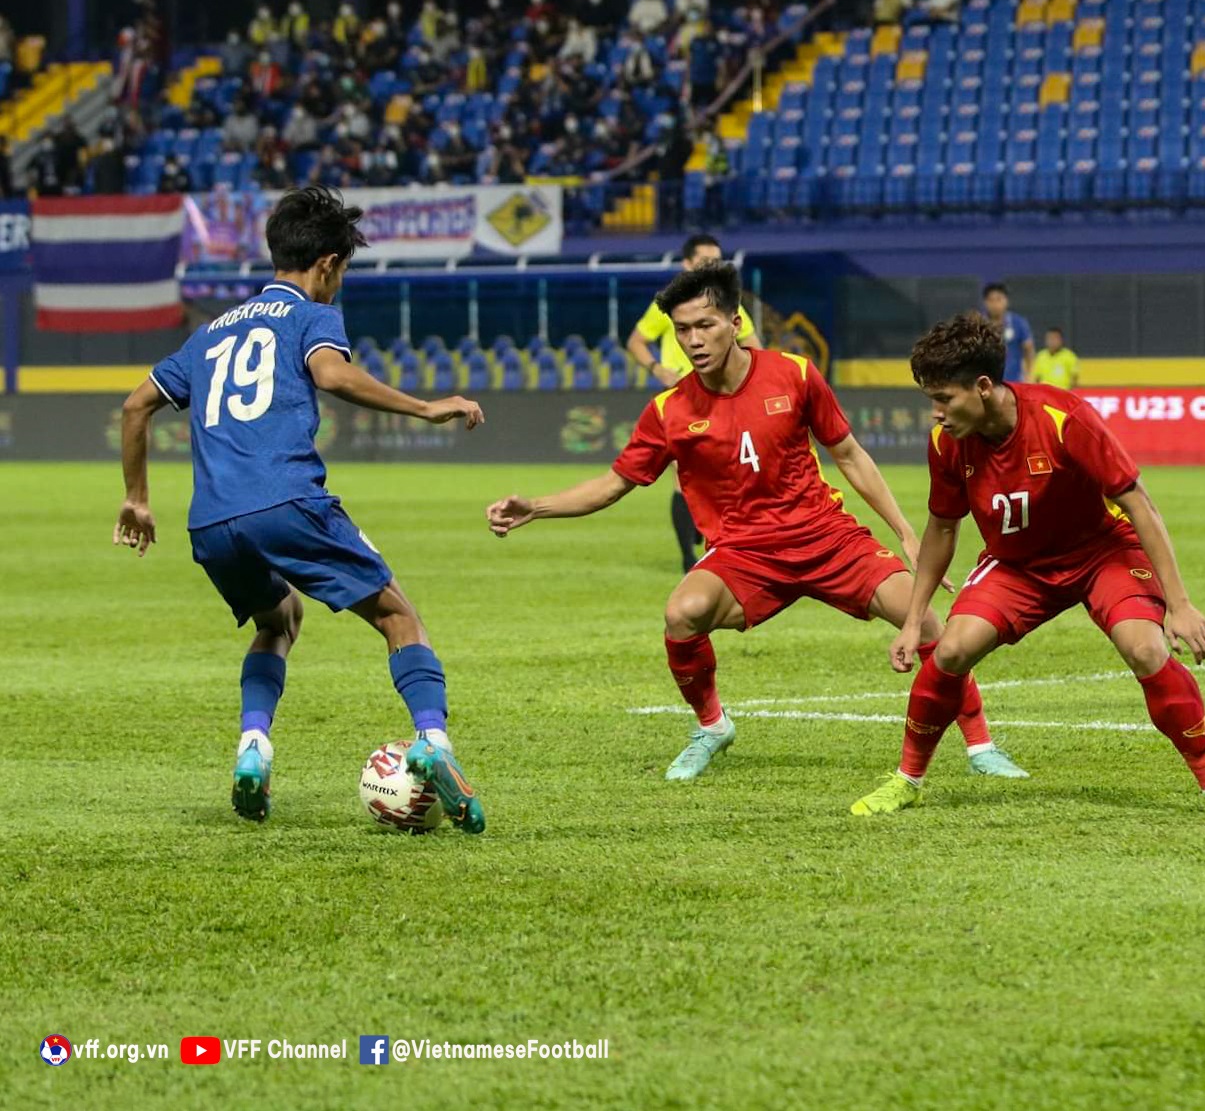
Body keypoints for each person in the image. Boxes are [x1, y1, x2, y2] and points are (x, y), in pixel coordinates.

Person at [487, 263, 1026, 783]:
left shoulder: (793, 374)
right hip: (745, 553)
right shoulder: (669, 409)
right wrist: (537, 506)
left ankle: (981, 745)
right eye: (681, 331)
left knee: (926, 621)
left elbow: (851, 455)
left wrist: (906, 533)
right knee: (682, 614)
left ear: (735, 322)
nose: (693, 340)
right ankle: (711, 726)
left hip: (825, 536)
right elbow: (613, 484)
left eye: (705, 325)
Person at [111, 187, 490, 831]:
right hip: (287, 501)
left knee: (279, 619)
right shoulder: (310, 316)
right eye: (341, 269)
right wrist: (428, 406)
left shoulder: (208, 333)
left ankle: (252, 747)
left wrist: (137, 498)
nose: (338, 281)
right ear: (325, 263)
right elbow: (334, 377)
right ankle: (433, 740)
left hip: (210, 523)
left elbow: (133, 406)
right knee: (400, 616)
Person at [850, 314, 1205, 817]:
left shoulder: (1063, 417)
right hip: (1017, 565)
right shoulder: (947, 442)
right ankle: (907, 780)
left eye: (944, 399)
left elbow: (1139, 505)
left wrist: (1179, 605)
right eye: (930, 400)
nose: (935, 413)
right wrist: (915, 620)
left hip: (1101, 552)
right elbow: (942, 528)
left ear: (983, 387)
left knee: (1146, 649)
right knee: (954, 649)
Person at [627, 234, 763, 571]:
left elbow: (755, 346)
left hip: (725, 397)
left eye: (717, 262)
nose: (712, 268)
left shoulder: (727, 305)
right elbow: (636, 341)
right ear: (687, 264)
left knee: (727, 473)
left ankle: (722, 542)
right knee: (682, 475)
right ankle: (691, 558)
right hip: (685, 399)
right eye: (705, 262)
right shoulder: (672, 304)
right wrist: (658, 369)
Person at [980, 281, 1034, 384]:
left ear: (1006, 301)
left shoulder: (1019, 323)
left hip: (1015, 382)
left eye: (999, 299)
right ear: (985, 302)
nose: (995, 304)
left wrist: (1029, 376)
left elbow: (1029, 350)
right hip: (987, 383)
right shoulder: (979, 324)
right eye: (991, 300)